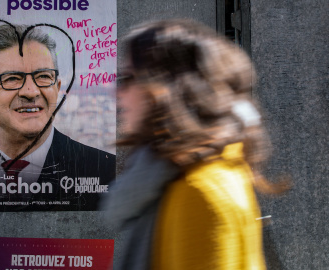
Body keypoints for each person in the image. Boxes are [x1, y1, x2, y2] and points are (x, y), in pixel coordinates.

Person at [102, 19, 285, 269]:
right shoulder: (181, 174)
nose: (116, 91)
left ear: (165, 87)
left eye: (127, 78)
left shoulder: (198, 191)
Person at [0, 24, 115, 212]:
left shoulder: (108, 174)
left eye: (43, 76)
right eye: (11, 79)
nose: (31, 92)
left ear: (57, 89)